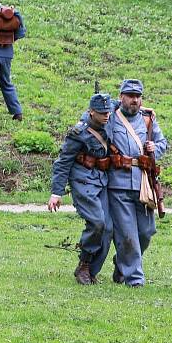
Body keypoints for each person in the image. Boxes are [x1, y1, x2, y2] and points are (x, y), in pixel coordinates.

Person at [106, 79, 168, 287]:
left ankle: (122, 262)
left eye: (137, 96)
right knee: (128, 233)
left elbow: (162, 143)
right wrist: (110, 105)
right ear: (121, 97)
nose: (134, 100)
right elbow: (91, 118)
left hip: (143, 182)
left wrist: (154, 148)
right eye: (129, 96)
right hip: (119, 182)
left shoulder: (148, 120)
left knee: (145, 232)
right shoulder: (112, 117)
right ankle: (135, 279)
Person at [47, 93, 113, 285]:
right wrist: (56, 193)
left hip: (101, 180)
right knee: (97, 222)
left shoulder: (108, 117)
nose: (106, 116)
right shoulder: (79, 132)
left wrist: (145, 110)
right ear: (91, 112)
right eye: (101, 113)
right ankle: (84, 264)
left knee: (108, 229)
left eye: (107, 112)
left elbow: (122, 104)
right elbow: (63, 162)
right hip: (82, 180)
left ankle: (90, 271)